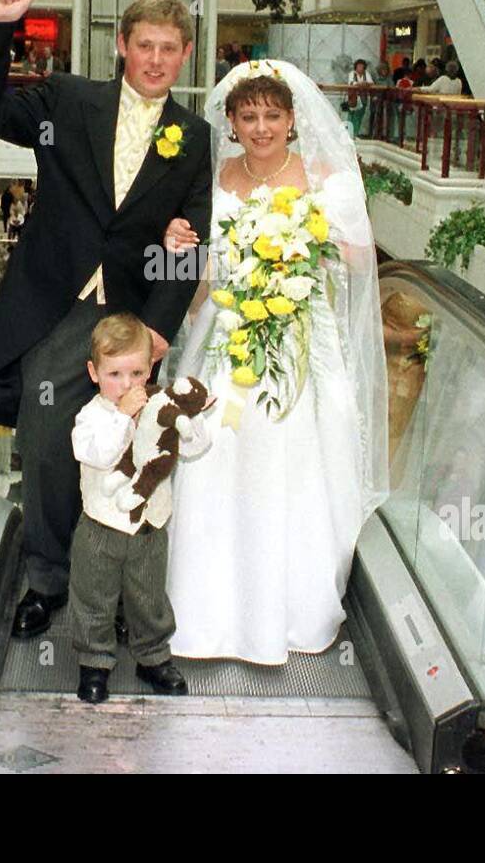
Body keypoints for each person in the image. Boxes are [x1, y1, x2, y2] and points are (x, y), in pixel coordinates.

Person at [0, 0, 212, 640]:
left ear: (185, 54)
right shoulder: (67, 100)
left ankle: (123, 591)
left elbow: (190, 237)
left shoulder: (194, 135)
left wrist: (157, 327)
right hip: (58, 303)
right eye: (145, 45)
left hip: (131, 318)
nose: (156, 59)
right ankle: (48, 579)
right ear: (122, 46)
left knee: (127, 455)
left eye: (170, 48)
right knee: (44, 440)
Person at [160, 63, 388, 663]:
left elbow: (362, 263)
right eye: (248, 116)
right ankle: (209, 610)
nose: (261, 127)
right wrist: (181, 270)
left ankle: (290, 608)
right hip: (226, 333)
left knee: (293, 458)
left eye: (272, 115)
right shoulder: (216, 178)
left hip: (302, 337)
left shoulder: (326, 176)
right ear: (231, 123)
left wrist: (309, 239)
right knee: (216, 455)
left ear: (293, 120)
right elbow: (204, 269)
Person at [68, 313, 212, 703]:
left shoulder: (159, 405)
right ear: (94, 373)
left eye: (135, 373)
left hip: (149, 524)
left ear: (150, 369)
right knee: (93, 596)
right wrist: (122, 416)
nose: (127, 384)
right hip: (101, 525)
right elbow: (97, 454)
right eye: (114, 374)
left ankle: (152, 657)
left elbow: (194, 448)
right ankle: (95, 661)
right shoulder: (92, 416)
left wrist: (188, 421)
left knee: (148, 596)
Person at [345, 58, 373, 137]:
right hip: (353, 98)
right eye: (358, 66)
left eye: (362, 66)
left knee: (359, 116)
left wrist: (364, 83)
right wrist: (361, 83)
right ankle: (348, 134)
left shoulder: (366, 74)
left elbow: (371, 82)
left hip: (363, 98)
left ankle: (355, 133)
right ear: (356, 67)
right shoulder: (352, 73)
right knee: (351, 116)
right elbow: (351, 82)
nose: (360, 68)